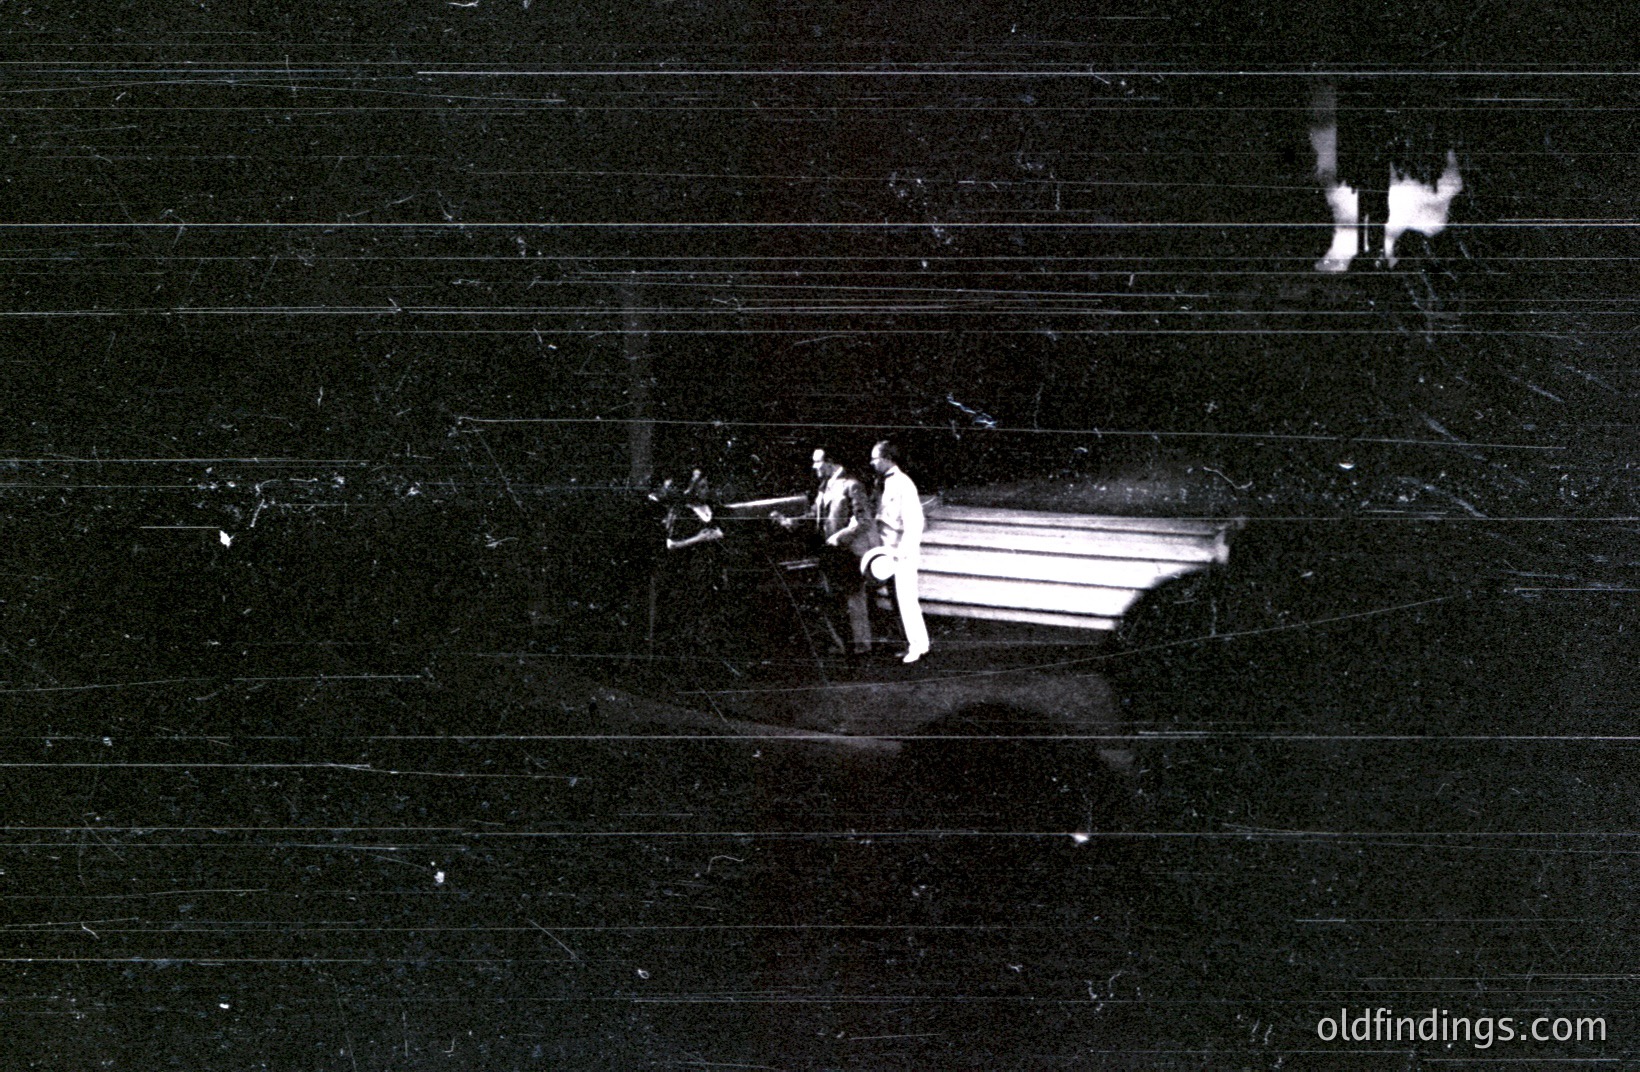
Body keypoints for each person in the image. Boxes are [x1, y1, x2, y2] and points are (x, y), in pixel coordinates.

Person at [775, 449, 879, 655]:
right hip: (829, 551)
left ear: (830, 462)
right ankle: (843, 646)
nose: (814, 467)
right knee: (834, 596)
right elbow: (815, 515)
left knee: (853, 597)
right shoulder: (825, 486)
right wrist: (791, 522)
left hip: (848, 551)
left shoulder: (852, 485)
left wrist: (840, 537)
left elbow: (864, 521)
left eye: (817, 462)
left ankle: (861, 647)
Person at [870, 440, 929, 664]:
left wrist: (901, 552)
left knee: (906, 600)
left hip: (900, 552)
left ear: (887, 459)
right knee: (897, 600)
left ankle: (917, 646)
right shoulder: (880, 483)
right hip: (884, 549)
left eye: (875, 458)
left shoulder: (904, 484)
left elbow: (915, 522)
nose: (872, 462)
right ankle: (912, 643)